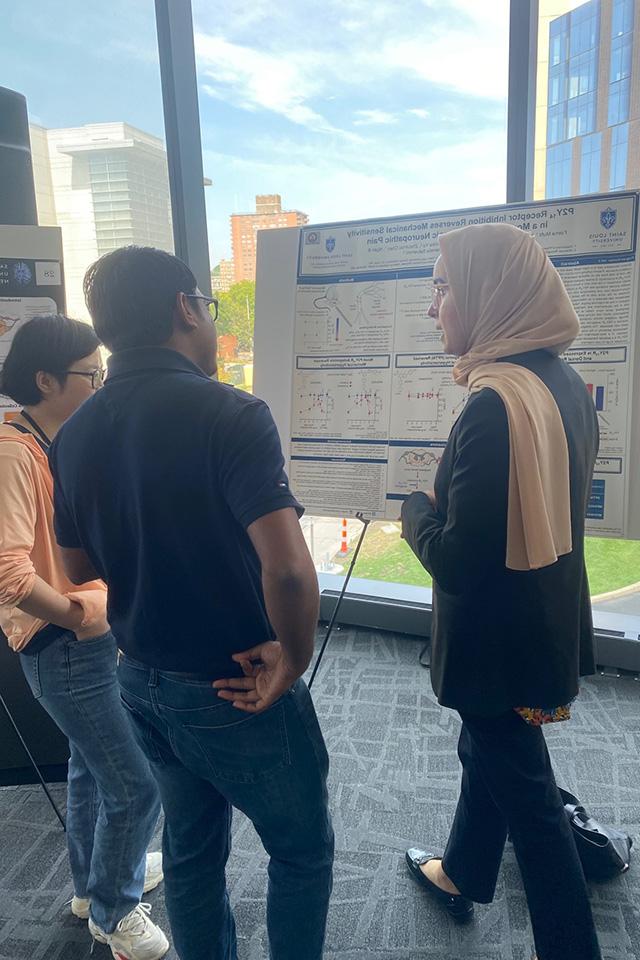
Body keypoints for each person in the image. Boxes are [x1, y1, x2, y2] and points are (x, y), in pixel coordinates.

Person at [48, 246, 334, 960]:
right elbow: (291, 573)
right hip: (237, 682)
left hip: (138, 678)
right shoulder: (232, 413)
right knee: (301, 851)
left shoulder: (75, 428)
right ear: (185, 308)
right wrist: (293, 659)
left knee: (191, 850)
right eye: (206, 306)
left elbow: (75, 564)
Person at [401, 224, 602, 960]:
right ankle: (460, 872)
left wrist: (413, 509)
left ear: (490, 293)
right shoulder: (562, 383)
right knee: (487, 755)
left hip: (496, 652)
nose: (434, 308)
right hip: (538, 628)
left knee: (535, 811)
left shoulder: (494, 405)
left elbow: (457, 561)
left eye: (443, 286)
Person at [0, 315, 168, 960]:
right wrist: (76, 615)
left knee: (91, 771)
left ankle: (91, 888)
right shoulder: (14, 452)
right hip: (62, 645)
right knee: (136, 783)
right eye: (89, 375)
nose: (100, 384)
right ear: (45, 380)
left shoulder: (53, 440)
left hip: (86, 640)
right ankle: (114, 912)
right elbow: (8, 571)